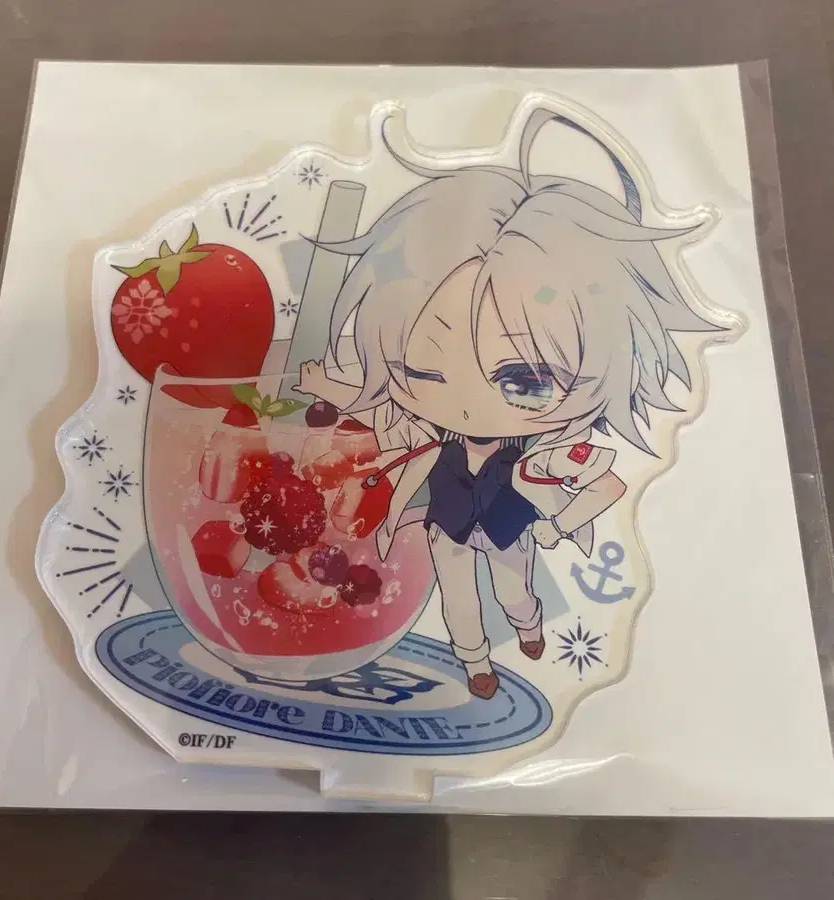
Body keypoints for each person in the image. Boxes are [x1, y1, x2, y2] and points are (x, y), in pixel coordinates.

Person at [296, 105, 722, 699]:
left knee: (514, 590)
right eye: (423, 372)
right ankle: (474, 662)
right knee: (457, 598)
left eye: (525, 380)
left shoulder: (546, 453)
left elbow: (607, 486)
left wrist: (559, 525)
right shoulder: (427, 433)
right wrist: (325, 387)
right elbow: (374, 404)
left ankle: (528, 625)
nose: (468, 405)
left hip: (509, 527)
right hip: (446, 525)